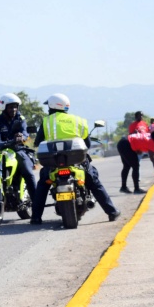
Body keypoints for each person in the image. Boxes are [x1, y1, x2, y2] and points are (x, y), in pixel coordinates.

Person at [30, 93, 119, 224]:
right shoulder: (79, 120)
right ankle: (111, 212)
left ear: (52, 106)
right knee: (93, 180)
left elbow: (37, 142)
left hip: (54, 161)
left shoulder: (47, 121)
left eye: (48, 106)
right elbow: (87, 144)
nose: (47, 109)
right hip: (76, 159)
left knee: (43, 184)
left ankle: (36, 217)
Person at [0, 92, 38, 224]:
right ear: (4, 107)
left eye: (15, 107)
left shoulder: (20, 119)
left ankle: (37, 211)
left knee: (28, 172)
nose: (14, 109)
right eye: (11, 107)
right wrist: (9, 142)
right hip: (1, 151)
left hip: (19, 150)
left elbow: (25, 134)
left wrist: (23, 137)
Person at [117, 111, 154, 193]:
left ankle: (123, 187)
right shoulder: (152, 142)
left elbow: (139, 140)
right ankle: (136, 189)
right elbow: (153, 159)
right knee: (135, 166)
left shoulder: (149, 136)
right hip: (126, 144)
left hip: (122, 142)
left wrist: (138, 149)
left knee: (127, 166)